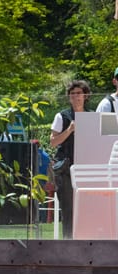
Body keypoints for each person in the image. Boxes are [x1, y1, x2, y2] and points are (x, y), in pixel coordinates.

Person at [50, 80, 91, 239]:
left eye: (79, 93)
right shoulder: (61, 116)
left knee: (87, 207)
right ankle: (68, 243)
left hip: (86, 169)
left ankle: (87, 240)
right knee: (68, 209)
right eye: (72, 94)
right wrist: (70, 130)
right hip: (65, 169)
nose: (76, 97)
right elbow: (53, 142)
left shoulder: (93, 116)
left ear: (85, 96)